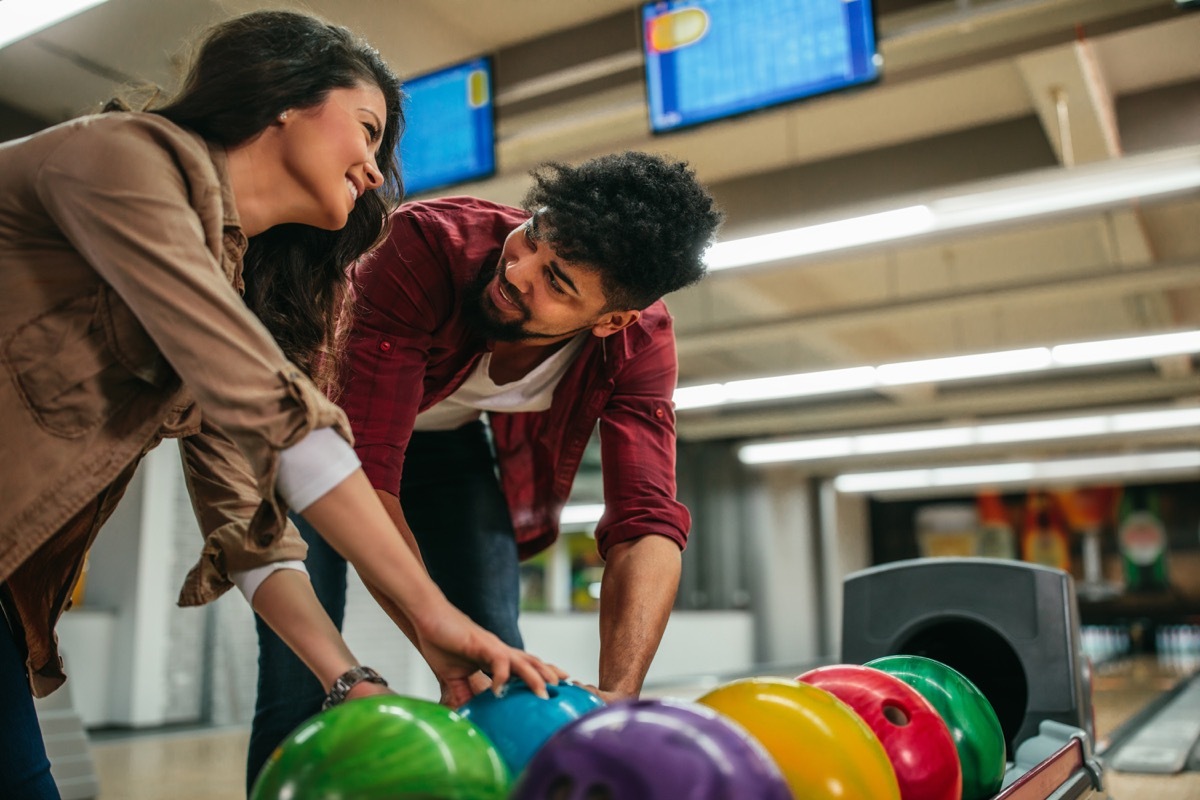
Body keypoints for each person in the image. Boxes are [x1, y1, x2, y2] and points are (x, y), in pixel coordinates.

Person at [0, 11, 560, 799]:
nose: (373, 170)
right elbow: (269, 403)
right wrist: (430, 611)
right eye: (366, 129)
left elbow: (250, 529)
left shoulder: (226, 284)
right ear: (286, 98)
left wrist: (349, 679)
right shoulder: (118, 157)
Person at [248, 151, 724, 784]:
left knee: (502, 659)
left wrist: (622, 699)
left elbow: (646, 522)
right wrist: (445, 655)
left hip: (448, 446)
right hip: (319, 436)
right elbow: (367, 472)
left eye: (556, 281)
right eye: (532, 235)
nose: (519, 269)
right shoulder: (425, 244)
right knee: (299, 679)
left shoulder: (640, 343)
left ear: (611, 321)